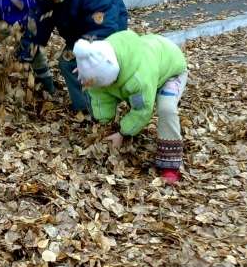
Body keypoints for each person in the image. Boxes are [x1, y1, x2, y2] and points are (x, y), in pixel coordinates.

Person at [73, 30, 188, 184]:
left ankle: (170, 165)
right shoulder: (99, 63)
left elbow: (143, 110)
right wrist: (104, 123)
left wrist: (122, 133)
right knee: (123, 93)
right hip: (150, 58)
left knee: (166, 109)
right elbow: (100, 96)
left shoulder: (138, 79)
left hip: (172, 71)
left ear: (112, 76)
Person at [23, 0, 129, 112]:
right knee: (68, 63)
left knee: (74, 63)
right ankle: (84, 108)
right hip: (79, 35)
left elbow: (107, 30)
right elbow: (40, 22)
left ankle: (97, 109)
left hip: (108, 37)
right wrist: (28, 47)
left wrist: (82, 52)